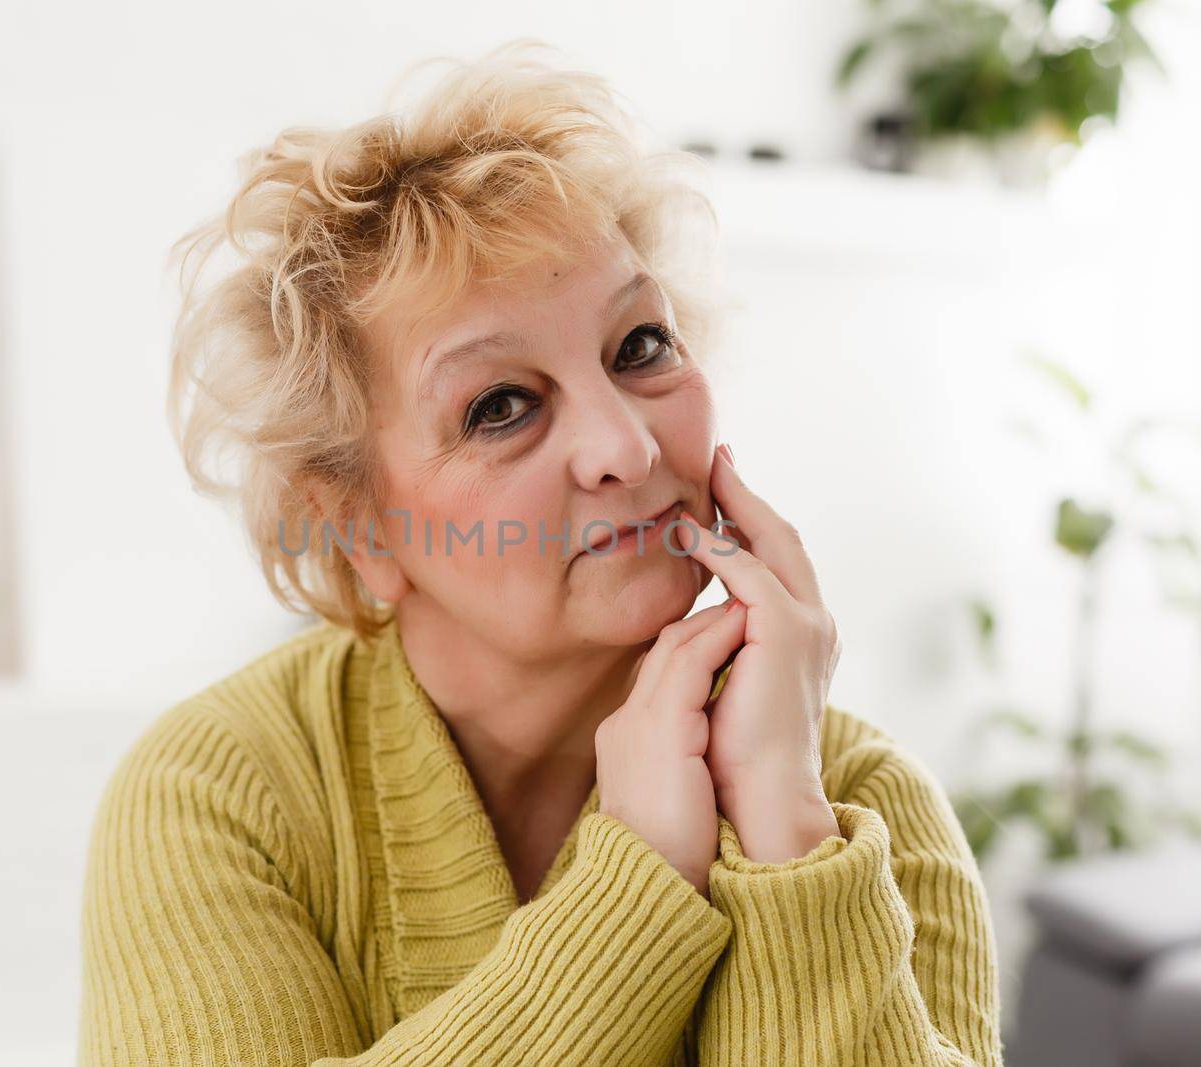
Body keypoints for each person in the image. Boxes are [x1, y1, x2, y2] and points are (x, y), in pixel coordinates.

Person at [77, 38, 1003, 1066]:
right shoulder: (220, 791)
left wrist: (787, 831)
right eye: (500, 405)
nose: (626, 446)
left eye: (639, 346)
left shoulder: (859, 798)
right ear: (356, 527)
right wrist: (638, 881)